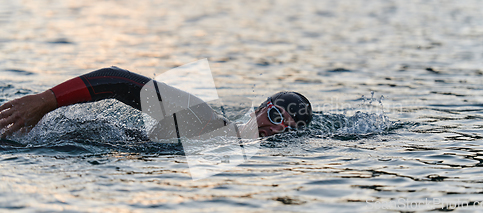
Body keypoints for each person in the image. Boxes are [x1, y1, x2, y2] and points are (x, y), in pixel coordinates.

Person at [0, 66, 313, 139]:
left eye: (288, 127)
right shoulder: (200, 117)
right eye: (274, 116)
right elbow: (115, 80)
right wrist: (44, 101)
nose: (275, 130)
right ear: (258, 109)